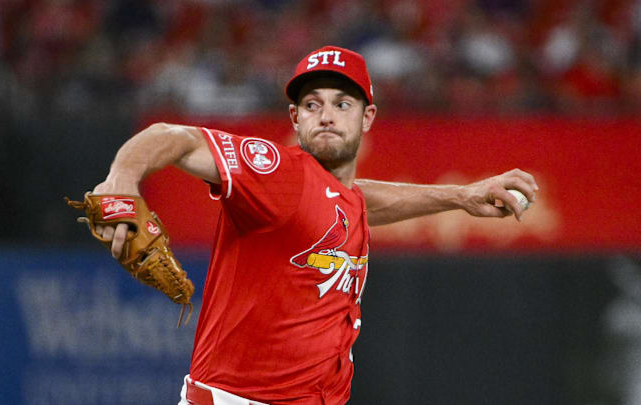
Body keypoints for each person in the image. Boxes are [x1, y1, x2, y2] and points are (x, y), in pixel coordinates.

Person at [91, 45, 538, 404]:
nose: (325, 114)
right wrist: (122, 180)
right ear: (295, 118)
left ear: (367, 118)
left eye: (342, 103)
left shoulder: (335, 197)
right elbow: (174, 137)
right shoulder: (277, 174)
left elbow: (358, 201)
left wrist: (460, 196)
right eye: (311, 103)